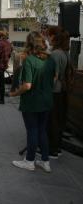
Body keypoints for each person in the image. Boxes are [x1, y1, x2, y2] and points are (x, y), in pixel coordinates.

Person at [10, 31, 55, 173]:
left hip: (32, 102)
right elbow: (54, 79)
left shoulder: (29, 60)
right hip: (47, 101)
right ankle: (45, 161)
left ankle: (29, 161)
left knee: (32, 131)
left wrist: (15, 93)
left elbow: (27, 85)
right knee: (42, 131)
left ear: (29, 44)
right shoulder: (51, 59)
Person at [47, 26, 71, 159]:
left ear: (54, 37)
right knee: (59, 120)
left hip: (55, 91)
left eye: (49, 35)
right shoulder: (65, 52)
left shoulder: (56, 54)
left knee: (52, 122)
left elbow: (54, 76)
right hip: (62, 90)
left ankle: (52, 149)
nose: (47, 38)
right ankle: (57, 147)